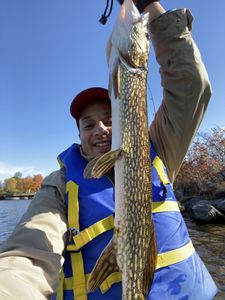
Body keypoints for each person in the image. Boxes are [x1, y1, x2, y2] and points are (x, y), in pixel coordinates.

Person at [0, 1, 218, 299]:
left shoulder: (158, 151)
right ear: (78, 135)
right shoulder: (59, 185)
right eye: (88, 126)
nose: (100, 129)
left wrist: (150, 8)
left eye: (108, 120)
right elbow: (30, 251)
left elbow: (191, 85)